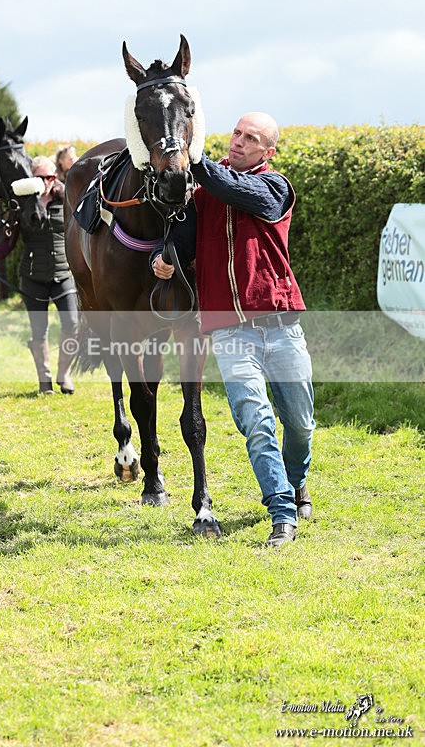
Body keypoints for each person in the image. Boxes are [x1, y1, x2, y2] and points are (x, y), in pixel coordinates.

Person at [152, 112, 315, 548]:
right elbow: (181, 238)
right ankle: (282, 512)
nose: (239, 141)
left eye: (252, 138)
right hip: (228, 330)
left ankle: (296, 480)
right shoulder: (201, 189)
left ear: (269, 151)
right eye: (237, 133)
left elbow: (238, 192)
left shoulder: (274, 187)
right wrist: (164, 255)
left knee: (300, 425)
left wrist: (196, 157)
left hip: (281, 326)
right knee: (256, 420)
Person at [0, 155, 78, 395]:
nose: (45, 181)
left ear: (55, 178)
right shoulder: (22, 205)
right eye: (39, 177)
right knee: (39, 330)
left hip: (63, 273)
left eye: (49, 177)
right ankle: (44, 381)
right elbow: (8, 240)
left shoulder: (67, 200)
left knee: (72, 324)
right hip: (32, 276)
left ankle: (63, 373)